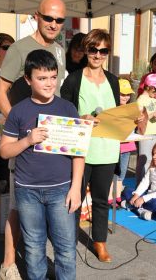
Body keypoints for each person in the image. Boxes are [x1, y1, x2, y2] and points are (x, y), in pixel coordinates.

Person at [0, 0, 66, 280]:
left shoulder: (58, 50)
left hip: (51, 141)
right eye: (48, 18)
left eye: (59, 20)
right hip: (26, 141)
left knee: (49, 204)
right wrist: (19, 128)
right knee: (17, 206)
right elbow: (1, 90)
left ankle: (36, 259)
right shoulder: (20, 48)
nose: (53, 24)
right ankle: (8, 264)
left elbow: (55, 95)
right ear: (36, 16)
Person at [0, 49, 84, 280]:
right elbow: (5, 151)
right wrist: (28, 140)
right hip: (27, 191)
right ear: (28, 79)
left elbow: (78, 154)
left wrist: (76, 188)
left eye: (53, 77)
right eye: (42, 78)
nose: (49, 83)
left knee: (65, 249)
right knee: (34, 248)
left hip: (61, 189)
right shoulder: (19, 111)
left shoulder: (67, 109)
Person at [61, 29, 120, 263]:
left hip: (107, 149)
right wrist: (80, 117)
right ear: (86, 49)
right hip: (81, 150)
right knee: (74, 199)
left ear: (108, 53)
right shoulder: (74, 79)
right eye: (93, 49)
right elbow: (62, 111)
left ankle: (100, 242)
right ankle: (68, 241)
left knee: (101, 200)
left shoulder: (113, 81)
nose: (97, 54)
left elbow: (119, 113)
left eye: (103, 50)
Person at [108, 79, 136, 205]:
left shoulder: (131, 109)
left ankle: (117, 197)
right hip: (114, 145)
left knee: (122, 173)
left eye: (127, 94)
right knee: (112, 172)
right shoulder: (111, 108)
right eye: (122, 94)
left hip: (128, 145)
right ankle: (109, 197)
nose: (125, 97)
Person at [135, 73, 156, 184]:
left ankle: (147, 183)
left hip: (154, 132)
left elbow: (154, 115)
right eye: (155, 90)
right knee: (144, 159)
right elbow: (139, 116)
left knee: (151, 159)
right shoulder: (141, 99)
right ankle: (140, 183)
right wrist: (153, 114)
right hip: (145, 132)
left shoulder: (154, 99)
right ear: (149, 87)